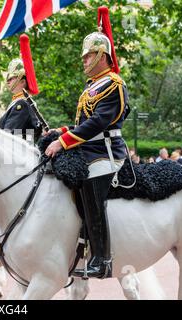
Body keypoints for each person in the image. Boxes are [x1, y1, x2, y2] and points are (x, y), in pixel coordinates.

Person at [45, 7, 129, 279]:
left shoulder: (113, 83)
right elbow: (83, 122)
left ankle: (102, 258)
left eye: (88, 55)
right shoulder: (92, 86)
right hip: (88, 149)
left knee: (92, 188)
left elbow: (99, 122)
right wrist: (62, 131)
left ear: (102, 55)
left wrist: (64, 141)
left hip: (105, 153)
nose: (83, 60)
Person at [0, 35, 43, 143]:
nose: (8, 81)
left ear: (23, 81)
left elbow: (7, 135)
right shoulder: (18, 102)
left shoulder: (22, 104)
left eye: (12, 78)